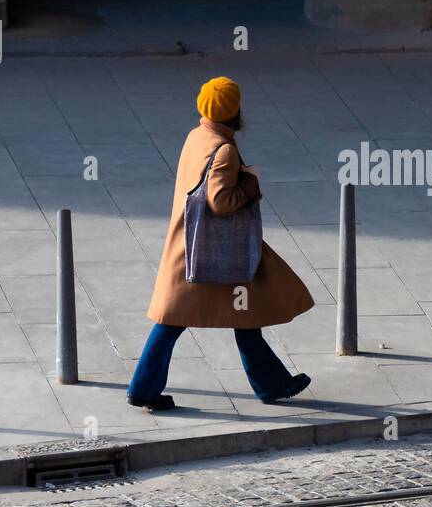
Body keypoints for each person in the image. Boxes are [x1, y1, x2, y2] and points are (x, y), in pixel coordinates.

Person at [127, 76, 314, 411]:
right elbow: (220, 202)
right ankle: (143, 388)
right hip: (212, 251)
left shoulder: (196, 136)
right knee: (179, 319)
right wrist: (251, 187)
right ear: (236, 112)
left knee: (232, 314)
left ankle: (271, 383)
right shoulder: (224, 149)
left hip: (189, 246)